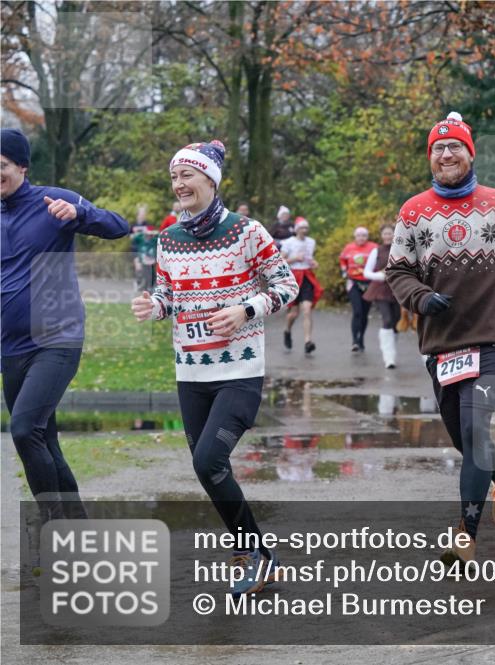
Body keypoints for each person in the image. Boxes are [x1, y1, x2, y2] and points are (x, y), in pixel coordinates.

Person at [131, 139, 298, 595]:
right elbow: (168, 292)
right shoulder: (168, 238)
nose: (178, 184)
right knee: (208, 470)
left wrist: (247, 310)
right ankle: (255, 553)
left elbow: (287, 285)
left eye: (186, 175)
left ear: (210, 179)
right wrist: (155, 305)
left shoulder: (247, 231)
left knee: (209, 459)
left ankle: (255, 555)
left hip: (239, 370)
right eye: (173, 177)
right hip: (191, 373)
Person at [386, 111, 495, 566]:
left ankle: (465, 535)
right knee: (463, 436)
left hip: (491, 339)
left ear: (470, 153)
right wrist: (420, 297)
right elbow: (398, 269)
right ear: (430, 158)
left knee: (475, 432)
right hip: (441, 344)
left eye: (455, 146)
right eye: (439, 148)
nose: (447, 154)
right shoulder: (413, 212)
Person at [1, 128, 129, 522]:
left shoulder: (54, 201)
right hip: (10, 348)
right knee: (45, 440)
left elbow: (119, 226)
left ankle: (53, 520)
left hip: (57, 339)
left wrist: (80, 214)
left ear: (22, 166)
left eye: (2, 166)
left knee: (24, 431)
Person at [281, 216, 323, 354]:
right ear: (297, 229)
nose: (305, 230)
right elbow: (281, 261)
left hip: (307, 276)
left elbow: (309, 258)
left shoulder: (311, 242)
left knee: (307, 309)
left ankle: (307, 341)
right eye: (302, 228)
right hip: (293, 277)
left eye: (306, 228)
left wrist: (313, 262)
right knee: (294, 313)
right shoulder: (288, 242)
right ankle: (287, 330)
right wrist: (294, 258)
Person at [363, 223, 402, 369]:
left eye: (390, 233)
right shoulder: (376, 251)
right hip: (380, 289)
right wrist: (380, 275)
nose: (387, 236)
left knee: (396, 322)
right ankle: (389, 358)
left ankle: (391, 351)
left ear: (395, 234)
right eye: (385, 234)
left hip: (398, 290)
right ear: (381, 236)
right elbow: (366, 273)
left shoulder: (401, 250)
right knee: (387, 320)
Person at [339, 226, 378, 352]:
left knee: (365, 313)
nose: (361, 238)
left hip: (369, 283)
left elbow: (380, 260)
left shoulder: (373, 247)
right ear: (355, 237)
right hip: (353, 282)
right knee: (357, 312)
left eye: (364, 236)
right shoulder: (349, 247)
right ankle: (354, 341)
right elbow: (342, 259)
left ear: (367, 237)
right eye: (359, 236)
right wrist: (344, 270)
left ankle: (361, 339)